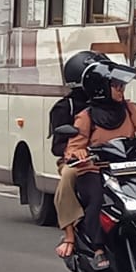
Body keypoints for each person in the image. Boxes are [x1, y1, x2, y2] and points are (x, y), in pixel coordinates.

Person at [65, 61, 136, 271]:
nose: (121, 90)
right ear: (100, 88)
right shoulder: (86, 116)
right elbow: (73, 147)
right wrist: (78, 152)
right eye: (116, 86)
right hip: (96, 169)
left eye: (122, 86)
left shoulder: (129, 109)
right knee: (96, 199)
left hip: (127, 167)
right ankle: (98, 249)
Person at [51, 51, 107, 259]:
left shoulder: (113, 103)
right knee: (67, 176)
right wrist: (78, 151)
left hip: (111, 159)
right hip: (78, 161)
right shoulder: (66, 107)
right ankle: (69, 234)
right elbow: (58, 146)